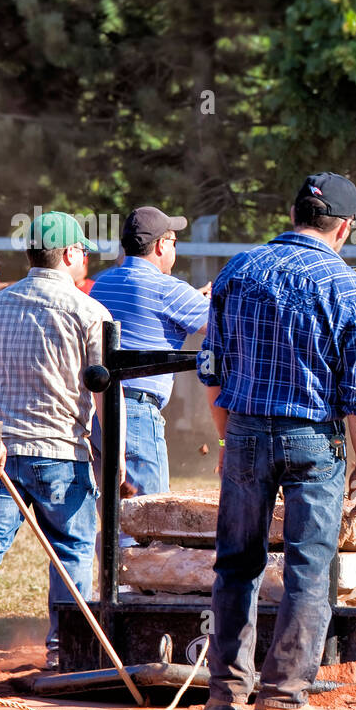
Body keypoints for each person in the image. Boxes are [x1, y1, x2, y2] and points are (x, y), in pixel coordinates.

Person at [198, 173, 356, 710]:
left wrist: (229, 438)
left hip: (248, 432)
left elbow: (212, 368)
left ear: (295, 212)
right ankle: (283, 697)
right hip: (312, 440)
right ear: (343, 227)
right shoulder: (349, 288)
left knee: (236, 563)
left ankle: (225, 694)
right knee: (307, 567)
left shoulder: (236, 270)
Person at [0, 211, 121, 671]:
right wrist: (113, 457)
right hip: (60, 451)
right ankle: (66, 647)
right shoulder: (90, 312)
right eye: (83, 253)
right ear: (72, 254)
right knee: (73, 548)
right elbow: (102, 394)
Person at [90, 206, 210, 507]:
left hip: (95, 408)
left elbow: (142, 307)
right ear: (160, 245)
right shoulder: (170, 289)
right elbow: (225, 329)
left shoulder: (103, 282)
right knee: (149, 513)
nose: (174, 248)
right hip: (136, 410)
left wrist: (192, 298)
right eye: (173, 240)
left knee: (110, 515)